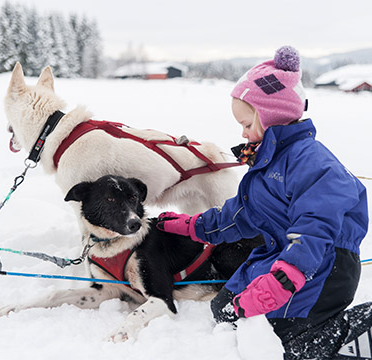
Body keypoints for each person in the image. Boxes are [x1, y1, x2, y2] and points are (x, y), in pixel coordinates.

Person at [157, 46, 372, 359]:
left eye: (246, 124)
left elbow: (315, 228)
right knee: (226, 309)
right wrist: (192, 226)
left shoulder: (311, 164)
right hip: (280, 253)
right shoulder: (265, 166)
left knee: (294, 345)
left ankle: (350, 334)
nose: (242, 133)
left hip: (323, 262)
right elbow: (238, 216)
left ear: (271, 116)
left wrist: (284, 279)